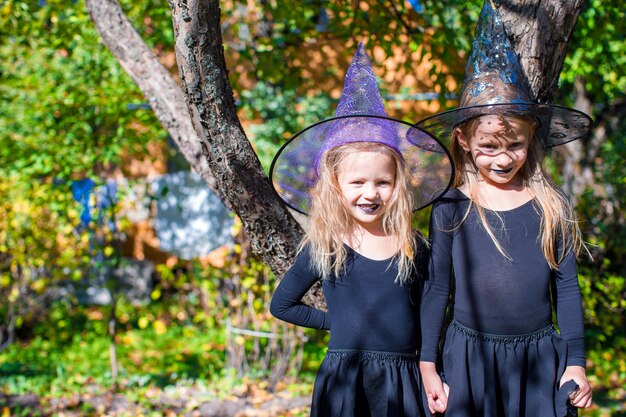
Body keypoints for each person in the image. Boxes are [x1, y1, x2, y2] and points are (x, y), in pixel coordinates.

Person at [416, 2, 593, 416]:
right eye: (488, 147)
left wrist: (577, 363)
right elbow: (437, 287)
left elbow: (566, 288)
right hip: (469, 360)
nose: (502, 158)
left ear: (532, 136)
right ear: (463, 141)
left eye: (514, 144)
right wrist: (428, 363)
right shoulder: (451, 207)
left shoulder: (552, 206)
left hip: (539, 361)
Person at [268, 43, 453, 417]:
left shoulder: (411, 246)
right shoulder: (327, 247)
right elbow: (281, 305)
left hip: (403, 380)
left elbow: (433, 313)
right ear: (336, 185)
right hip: (345, 380)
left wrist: (436, 371)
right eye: (358, 183)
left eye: (382, 183)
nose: (370, 193)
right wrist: (336, 321)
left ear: (397, 185)